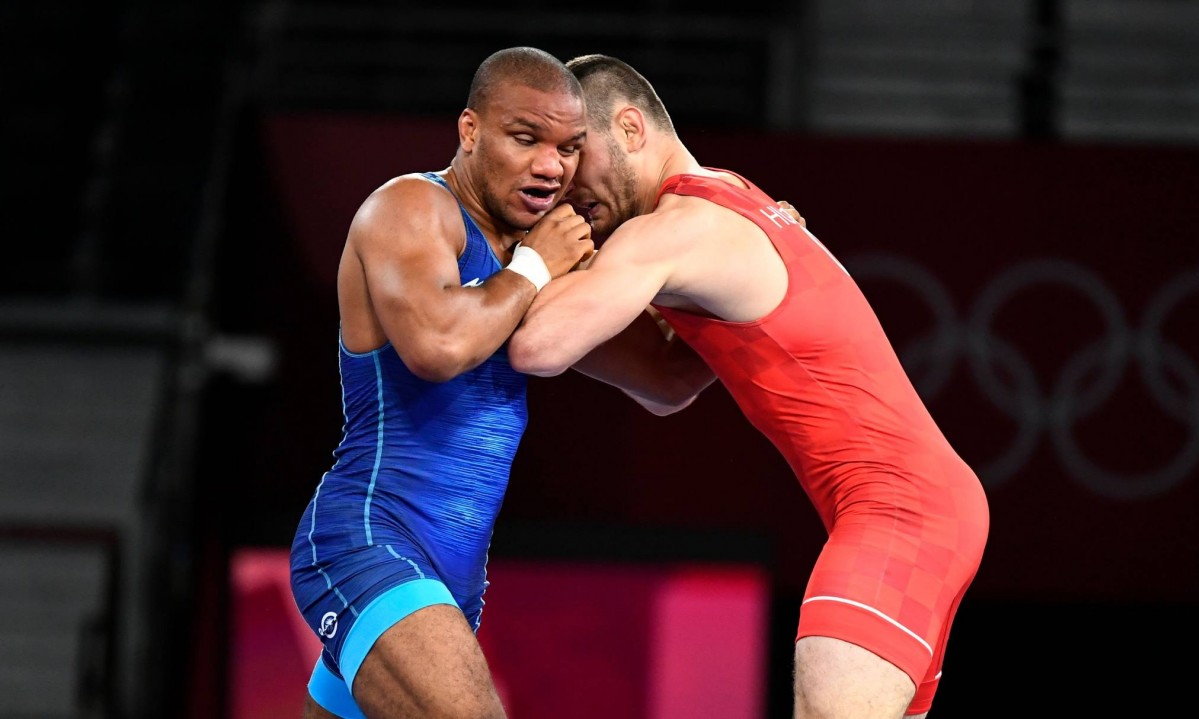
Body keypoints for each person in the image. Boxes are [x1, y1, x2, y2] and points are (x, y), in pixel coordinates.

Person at [507, 54, 991, 718]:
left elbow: (538, 345)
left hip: (900, 514)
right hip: (927, 505)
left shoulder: (672, 231)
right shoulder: (731, 195)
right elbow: (668, 380)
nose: (564, 186)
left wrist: (529, 262)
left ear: (629, 127)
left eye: (574, 155)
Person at [285, 46, 604, 719]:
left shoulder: (537, 254)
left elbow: (664, 382)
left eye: (570, 147)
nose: (553, 166)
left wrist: (744, 225)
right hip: (368, 542)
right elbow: (437, 345)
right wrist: (535, 269)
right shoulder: (409, 208)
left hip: (450, 582)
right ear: (469, 131)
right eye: (527, 138)